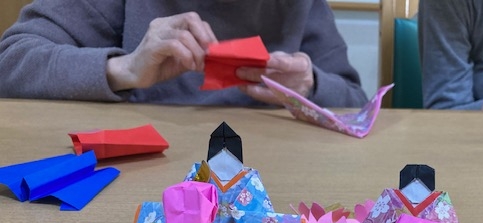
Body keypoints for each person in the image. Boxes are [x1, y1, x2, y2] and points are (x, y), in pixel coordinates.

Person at [0, 0, 368, 108]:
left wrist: (308, 85)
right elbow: (11, 61)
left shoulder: (301, 6)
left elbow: (356, 101)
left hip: (271, 179)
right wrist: (124, 69)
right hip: (135, 179)